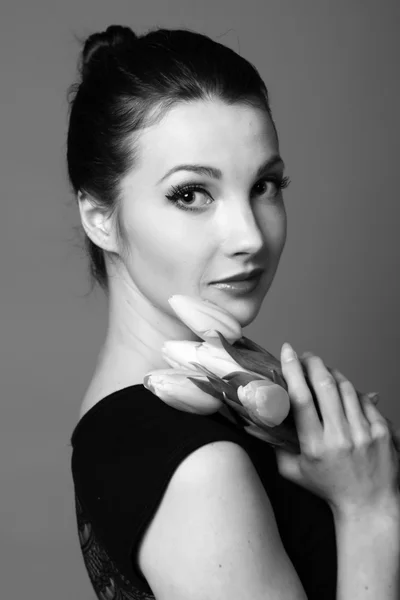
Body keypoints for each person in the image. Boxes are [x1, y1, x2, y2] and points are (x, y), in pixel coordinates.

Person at [68, 24, 400, 600]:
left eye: (265, 185)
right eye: (191, 193)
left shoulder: (170, 418)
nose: (249, 235)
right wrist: (371, 512)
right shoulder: (196, 470)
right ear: (100, 217)